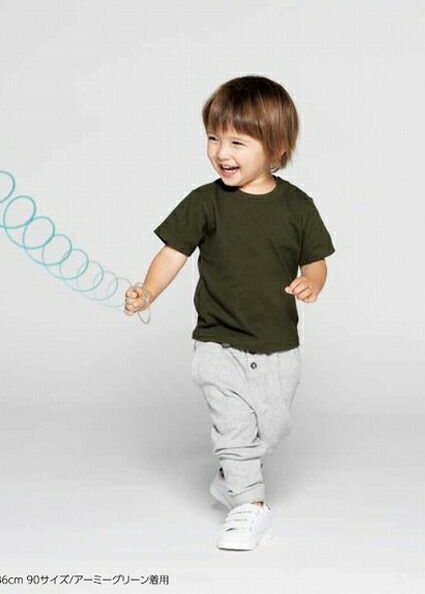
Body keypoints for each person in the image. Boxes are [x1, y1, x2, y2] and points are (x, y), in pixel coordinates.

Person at [124, 75, 336, 551]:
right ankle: (249, 508)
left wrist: (313, 282)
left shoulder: (297, 206)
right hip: (218, 341)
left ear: (276, 148)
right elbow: (172, 254)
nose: (222, 152)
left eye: (237, 142)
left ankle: (231, 477)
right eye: (213, 138)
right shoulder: (205, 202)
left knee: (271, 428)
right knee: (235, 429)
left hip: (278, 345)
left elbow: (316, 260)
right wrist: (149, 291)